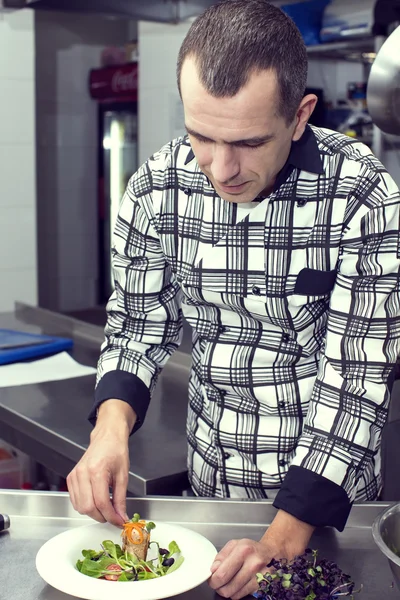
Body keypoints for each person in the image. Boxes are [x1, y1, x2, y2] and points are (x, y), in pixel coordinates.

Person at [67, 1, 400, 598]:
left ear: (300, 117)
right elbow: (138, 323)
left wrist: (283, 535)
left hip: (324, 510)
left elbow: (358, 374)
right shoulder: (156, 186)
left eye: (247, 142)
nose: (221, 169)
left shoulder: (361, 192)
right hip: (210, 491)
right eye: (201, 136)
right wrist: (109, 431)